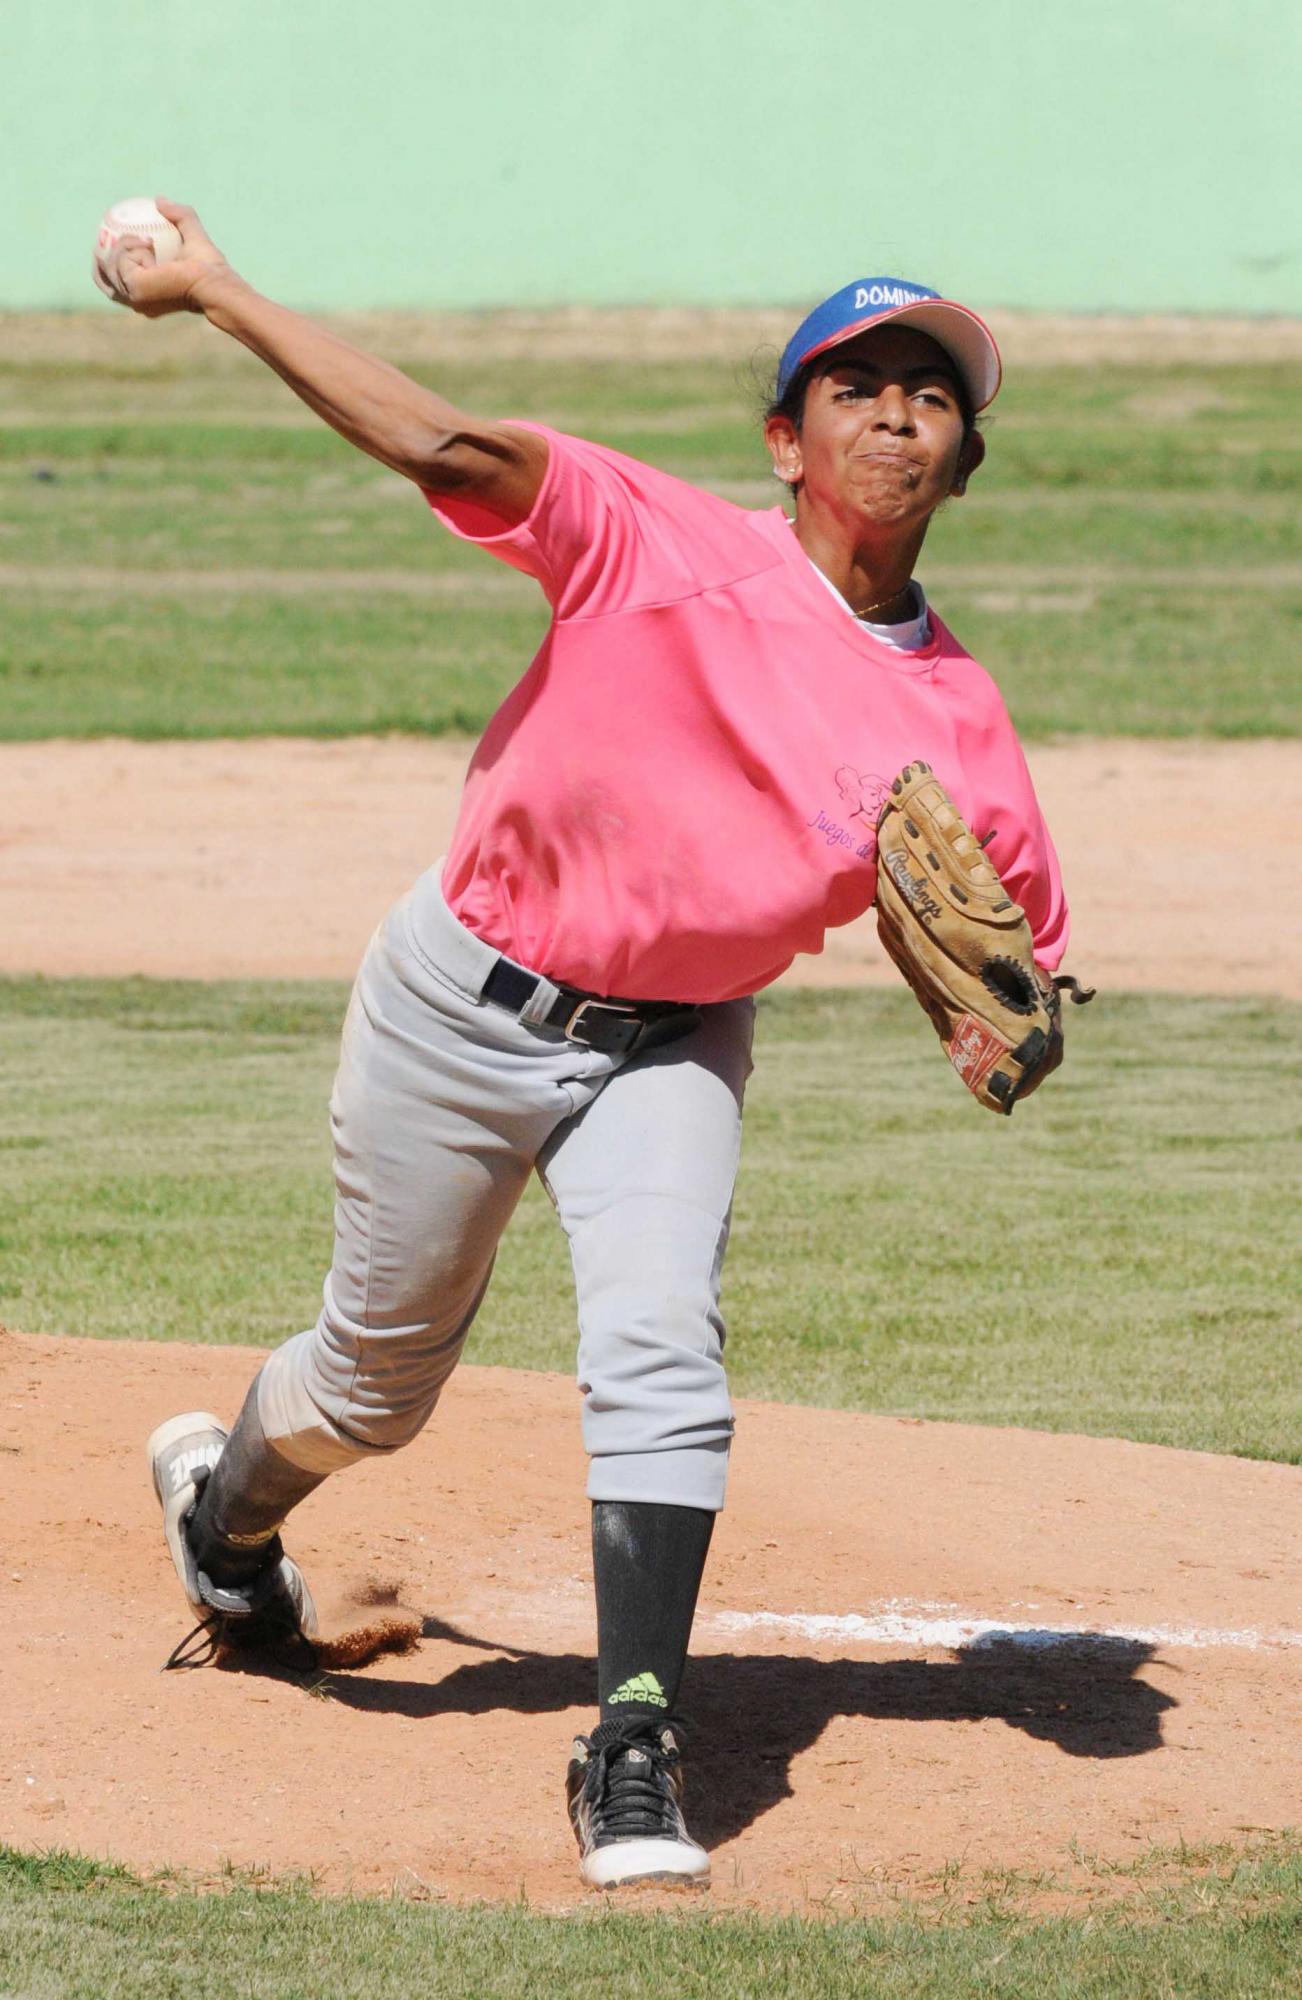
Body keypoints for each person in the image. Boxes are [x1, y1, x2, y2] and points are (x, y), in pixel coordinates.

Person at [98, 208, 1069, 1891]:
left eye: (933, 396)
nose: (898, 414)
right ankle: (227, 1520)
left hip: (672, 1045)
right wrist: (219, 293)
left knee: (661, 1349)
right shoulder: (647, 533)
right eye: (860, 385)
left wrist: (1016, 1040)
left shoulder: (959, 718)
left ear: (963, 464)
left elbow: (1019, 973)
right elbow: (437, 436)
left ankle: (630, 1742)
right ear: (787, 440)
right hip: (457, 1003)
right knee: (371, 1382)